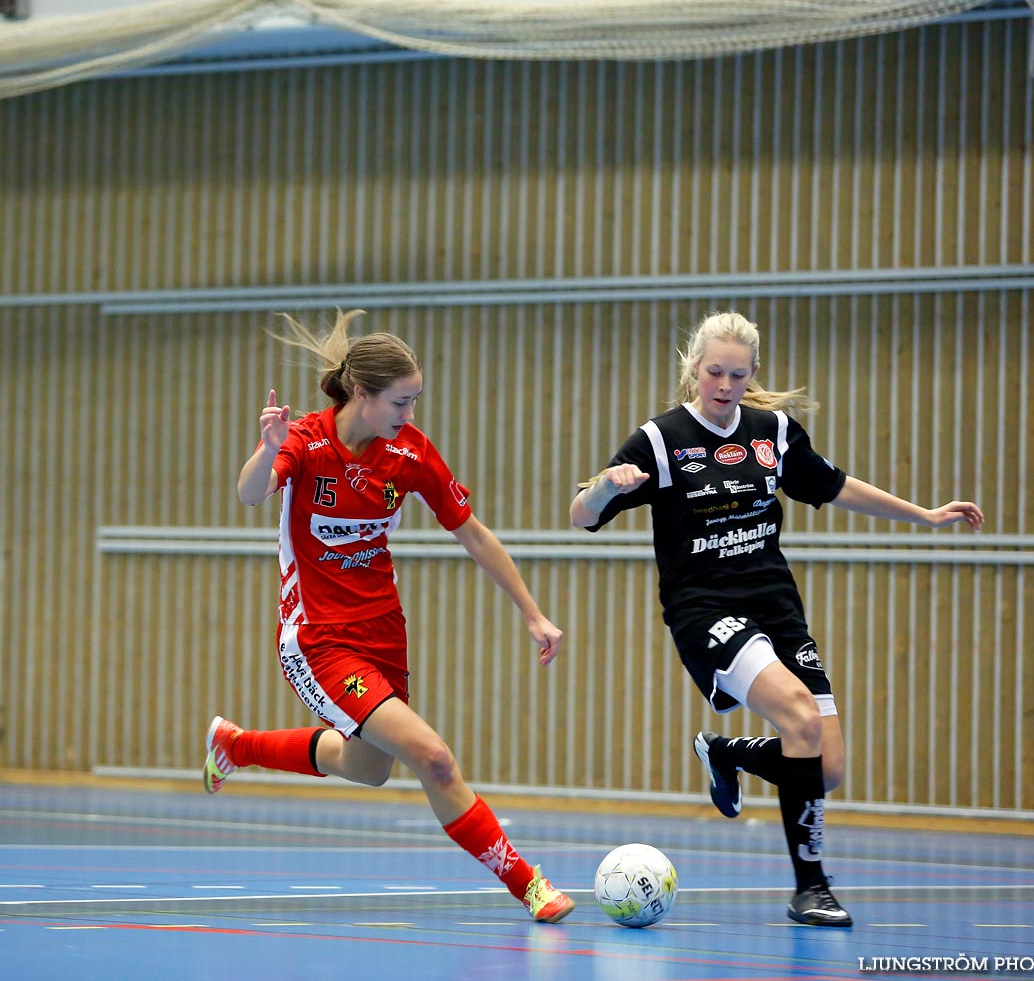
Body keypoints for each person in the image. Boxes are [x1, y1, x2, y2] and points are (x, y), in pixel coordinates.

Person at [568, 310, 983, 928]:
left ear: (753, 373)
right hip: (704, 608)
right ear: (694, 369)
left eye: (738, 375)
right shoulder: (661, 439)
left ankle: (727, 751)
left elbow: (837, 485)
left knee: (827, 767)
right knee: (797, 715)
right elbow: (582, 515)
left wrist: (924, 515)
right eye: (714, 372)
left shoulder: (774, 433)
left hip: (776, 605)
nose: (725, 385)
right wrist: (606, 484)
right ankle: (810, 888)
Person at [202, 308, 575, 923]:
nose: (410, 416)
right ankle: (527, 882)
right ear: (360, 392)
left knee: (368, 766)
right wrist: (264, 452)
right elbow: (249, 493)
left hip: (383, 631)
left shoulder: (409, 453)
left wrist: (533, 613)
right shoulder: (306, 441)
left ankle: (238, 746)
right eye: (401, 402)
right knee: (433, 757)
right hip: (318, 638)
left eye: (415, 401)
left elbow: (474, 535)